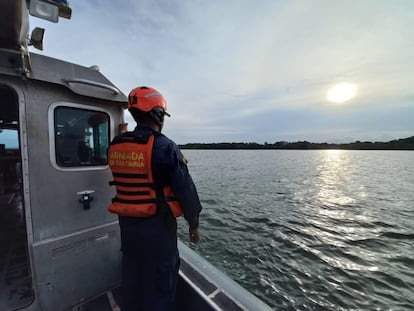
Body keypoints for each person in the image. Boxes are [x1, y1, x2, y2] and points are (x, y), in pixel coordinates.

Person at [107, 86, 202, 311]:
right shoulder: (165, 147)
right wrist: (194, 224)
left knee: (133, 280)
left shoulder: (115, 145)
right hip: (158, 233)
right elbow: (185, 190)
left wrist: (123, 133)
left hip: (129, 232)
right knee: (159, 289)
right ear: (157, 114)